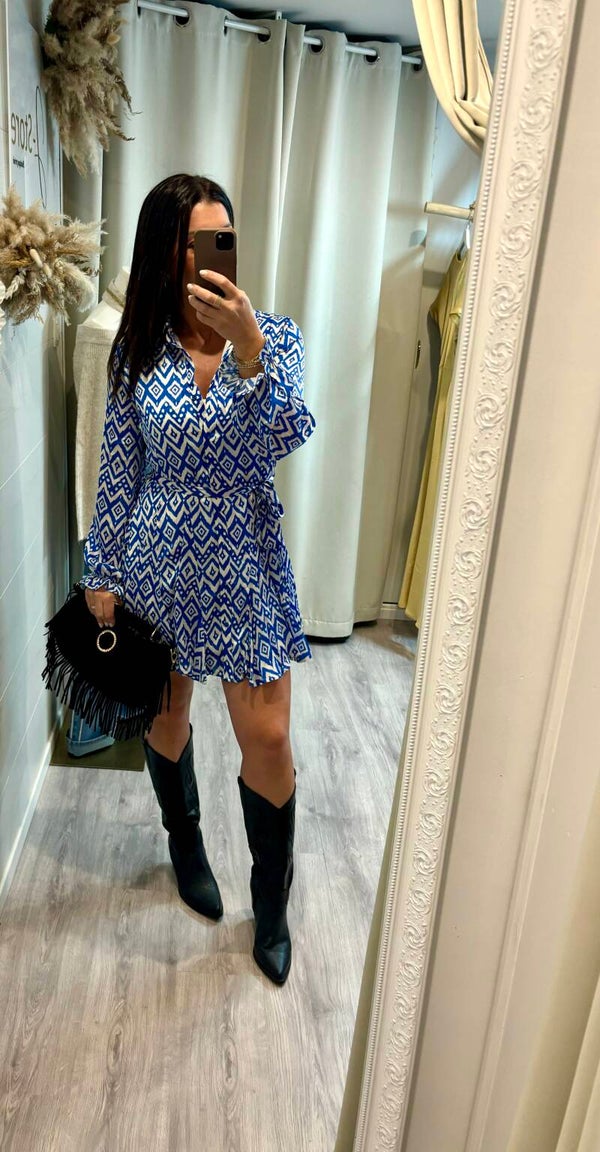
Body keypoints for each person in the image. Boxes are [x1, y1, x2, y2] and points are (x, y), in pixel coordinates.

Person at [79, 173, 317, 985]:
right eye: (192, 243)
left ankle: (271, 900)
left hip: (244, 558)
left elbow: (287, 431)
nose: (209, 257)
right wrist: (101, 569)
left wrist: (249, 351)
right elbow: (119, 468)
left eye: (222, 239)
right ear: (163, 253)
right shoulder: (137, 352)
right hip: (158, 555)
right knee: (166, 716)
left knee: (269, 738)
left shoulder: (274, 336)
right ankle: (185, 842)